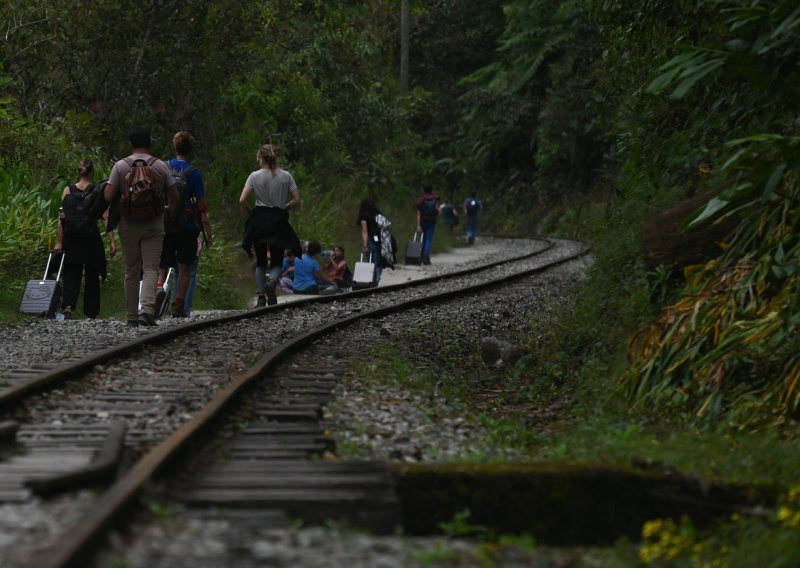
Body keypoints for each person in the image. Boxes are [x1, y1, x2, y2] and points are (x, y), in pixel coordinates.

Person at [103, 127, 179, 326]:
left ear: (130, 144)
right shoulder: (160, 166)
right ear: (149, 144)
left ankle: (131, 316)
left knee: (131, 270)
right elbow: (175, 195)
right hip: (154, 223)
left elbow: (108, 196)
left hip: (128, 224)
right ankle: (147, 310)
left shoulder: (120, 166)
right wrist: (169, 208)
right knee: (151, 267)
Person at [157, 131, 212, 317]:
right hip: (187, 227)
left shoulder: (164, 167)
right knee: (184, 266)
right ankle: (178, 305)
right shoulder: (194, 173)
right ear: (191, 149)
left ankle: (158, 290)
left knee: (162, 263)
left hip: (165, 223)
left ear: (175, 147)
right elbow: (202, 205)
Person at [240, 144, 303, 307]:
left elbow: (242, 200)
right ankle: (272, 281)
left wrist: (252, 212)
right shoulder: (286, 176)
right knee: (277, 260)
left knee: (260, 260)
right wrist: (285, 206)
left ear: (260, 158)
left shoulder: (254, 176)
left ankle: (261, 296)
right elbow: (297, 199)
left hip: (260, 219)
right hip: (278, 220)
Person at [53, 159, 116, 319]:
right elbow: (105, 217)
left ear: (78, 172)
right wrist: (112, 241)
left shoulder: (68, 190)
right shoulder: (96, 190)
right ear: (93, 173)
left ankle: (68, 305)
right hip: (90, 238)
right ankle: (91, 311)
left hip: (72, 238)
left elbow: (61, 217)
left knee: (71, 272)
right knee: (92, 274)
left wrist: (59, 241)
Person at [357, 198, 393, 284]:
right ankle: (377, 277)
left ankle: (372, 279)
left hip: (371, 240)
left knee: (372, 260)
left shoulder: (364, 216)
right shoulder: (378, 214)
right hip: (381, 240)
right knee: (379, 260)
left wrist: (365, 245)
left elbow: (365, 232)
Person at [415, 185, 441, 265]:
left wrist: (418, 225)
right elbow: (439, 211)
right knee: (428, 240)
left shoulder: (421, 199)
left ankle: (419, 256)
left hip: (423, 221)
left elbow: (419, 213)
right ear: (431, 190)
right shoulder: (435, 199)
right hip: (432, 222)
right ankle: (426, 257)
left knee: (420, 240)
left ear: (424, 190)